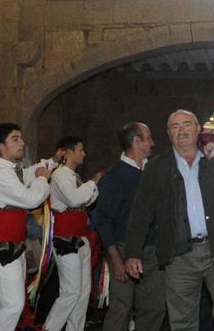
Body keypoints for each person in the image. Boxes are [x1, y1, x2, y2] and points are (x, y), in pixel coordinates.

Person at [123, 110, 214, 331]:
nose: (182, 130)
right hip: (179, 256)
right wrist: (133, 252)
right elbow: (141, 213)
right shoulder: (157, 167)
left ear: (198, 129)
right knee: (182, 321)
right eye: (175, 126)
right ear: (169, 134)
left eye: (187, 124)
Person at [95, 122, 166, 331]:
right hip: (123, 249)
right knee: (121, 308)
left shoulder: (151, 171)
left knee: (154, 307)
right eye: (149, 138)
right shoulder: (114, 177)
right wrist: (116, 261)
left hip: (152, 249)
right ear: (136, 141)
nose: (153, 143)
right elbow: (103, 221)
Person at [0, 122, 51, 331]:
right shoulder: (0, 173)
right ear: (1, 146)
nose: (22, 142)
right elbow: (31, 199)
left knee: (10, 305)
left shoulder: (10, 170)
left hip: (13, 247)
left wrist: (50, 163)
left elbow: (27, 174)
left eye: (21, 137)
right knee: (10, 306)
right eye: (15, 139)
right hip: (2, 249)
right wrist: (42, 178)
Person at [45, 135, 100, 331]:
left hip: (81, 238)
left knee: (83, 293)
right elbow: (74, 199)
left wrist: (92, 188)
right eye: (80, 150)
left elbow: (87, 202)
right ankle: (50, 328)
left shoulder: (74, 176)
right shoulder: (60, 174)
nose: (83, 153)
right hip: (65, 239)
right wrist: (93, 183)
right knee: (71, 291)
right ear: (68, 153)